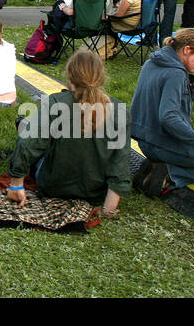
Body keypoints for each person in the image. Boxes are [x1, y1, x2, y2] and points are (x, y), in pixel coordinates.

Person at [7, 50, 128, 214]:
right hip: (94, 191)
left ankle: (25, 124)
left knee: (29, 130)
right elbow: (120, 165)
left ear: (70, 76)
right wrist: (108, 209)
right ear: (101, 77)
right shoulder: (120, 111)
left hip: (53, 186)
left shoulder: (56, 102)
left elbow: (29, 144)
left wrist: (16, 184)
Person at [131, 29, 194, 193]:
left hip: (145, 140)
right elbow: (169, 118)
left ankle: (158, 167)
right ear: (187, 50)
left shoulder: (152, 62)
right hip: (164, 145)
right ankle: (171, 174)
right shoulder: (176, 74)